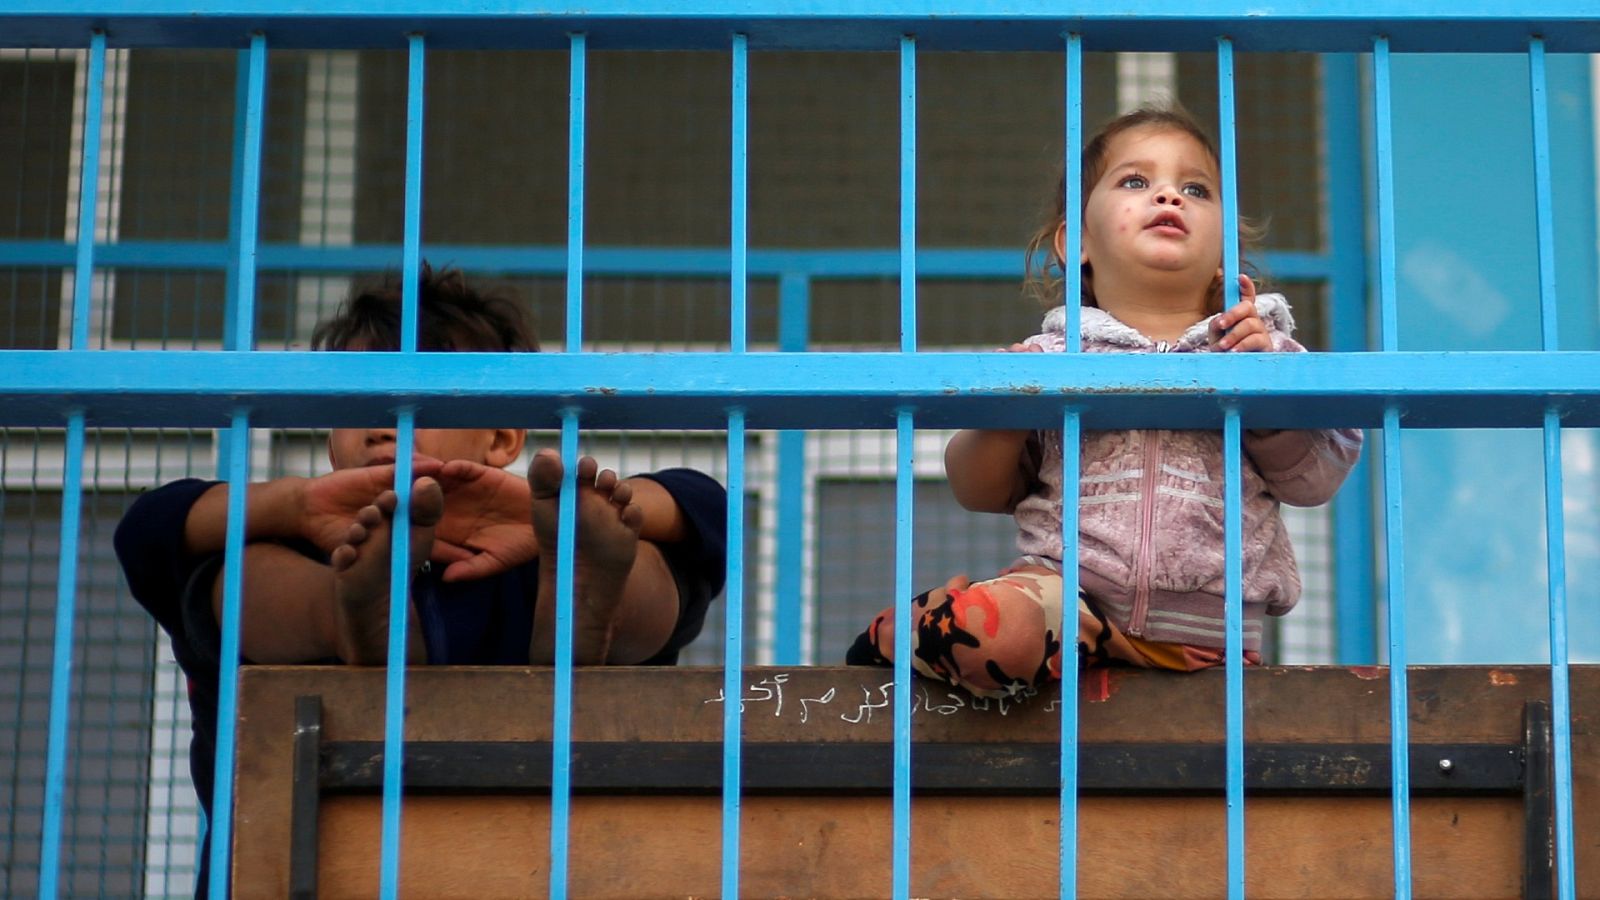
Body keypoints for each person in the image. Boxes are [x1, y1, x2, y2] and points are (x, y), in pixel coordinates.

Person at [114, 266, 726, 896]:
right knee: (241, 574)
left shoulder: (528, 550)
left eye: (421, 399)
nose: (381, 425)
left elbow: (708, 508)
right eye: (356, 402)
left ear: (502, 440)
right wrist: (295, 506)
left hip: (418, 838)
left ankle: (584, 605)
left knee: (646, 566)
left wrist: (575, 515)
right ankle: (346, 611)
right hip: (437, 845)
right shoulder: (303, 541)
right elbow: (146, 530)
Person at [846, 106, 1363, 698]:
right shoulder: (1049, 356)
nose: (1169, 195)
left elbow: (1316, 480)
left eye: (1196, 188)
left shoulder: (1258, 349)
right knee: (994, 638)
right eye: (1135, 181)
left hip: (1213, 636)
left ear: (1224, 249)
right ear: (1078, 241)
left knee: (1227, 764)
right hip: (1065, 608)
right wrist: (1003, 421)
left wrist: (1268, 391)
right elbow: (979, 489)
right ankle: (900, 632)